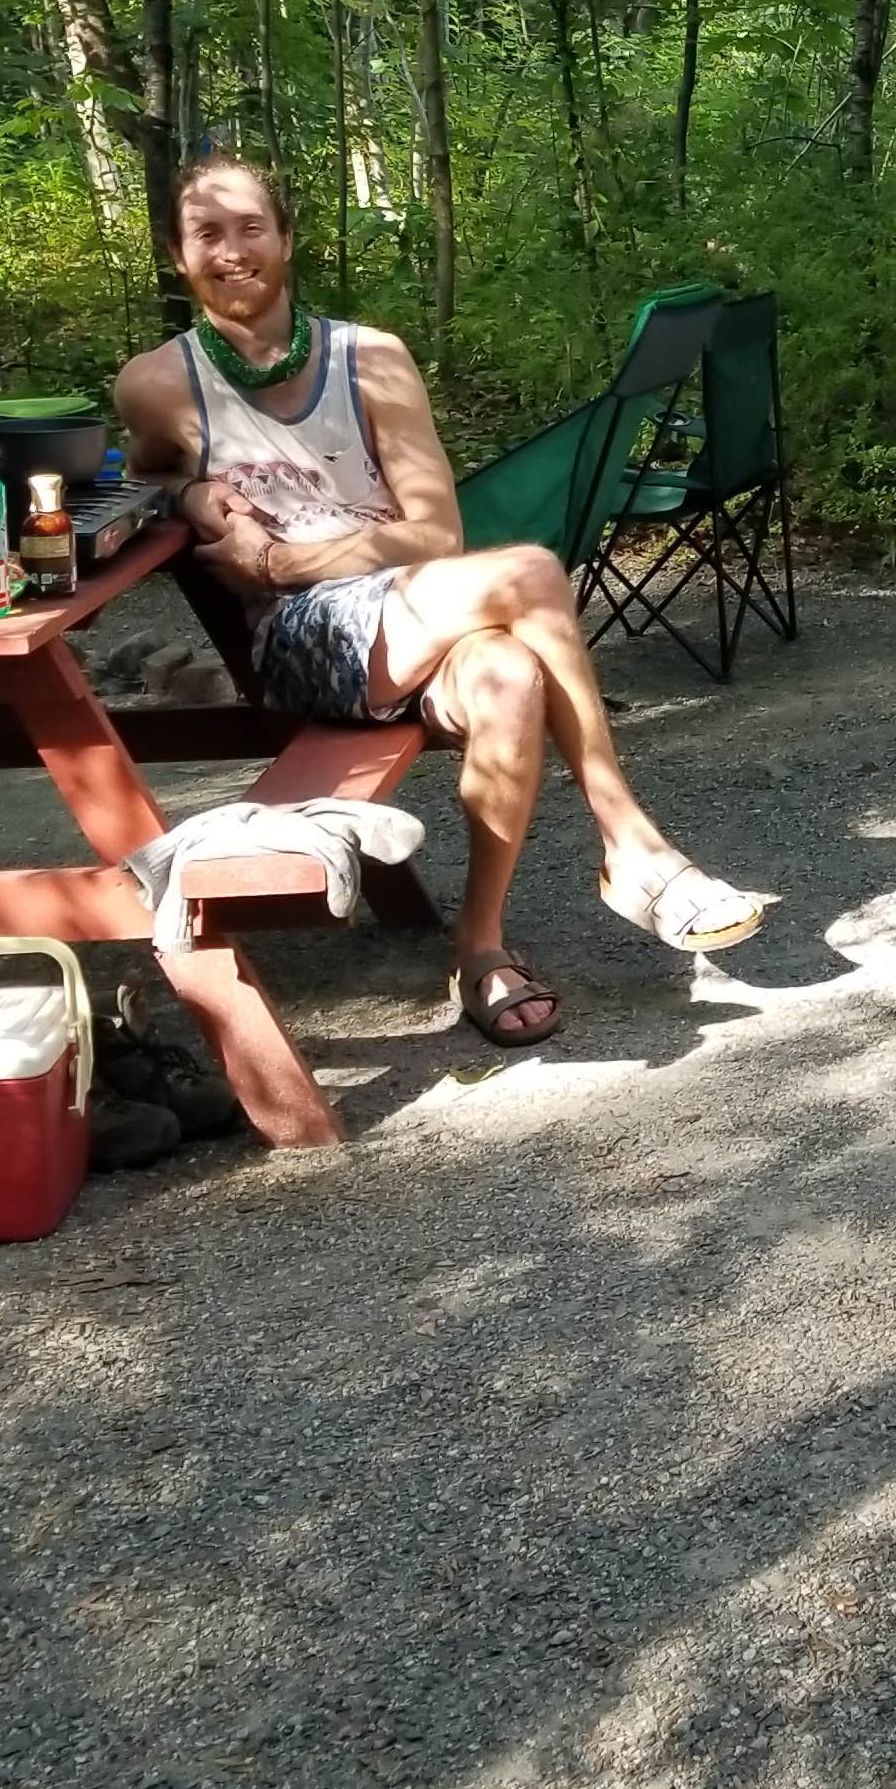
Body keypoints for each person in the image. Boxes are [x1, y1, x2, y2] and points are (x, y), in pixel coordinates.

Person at [111, 157, 771, 1091]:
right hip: (304, 642)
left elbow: (436, 532)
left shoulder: (368, 359)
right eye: (207, 234)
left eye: (251, 228)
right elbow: (136, 475)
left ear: (288, 239)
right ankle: (626, 841)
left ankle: (480, 949)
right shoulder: (156, 383)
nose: (232, 252)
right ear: (179, 257)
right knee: (535, 569)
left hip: (414, 614)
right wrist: (191, 489)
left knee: (508, 674)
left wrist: (285, 556)